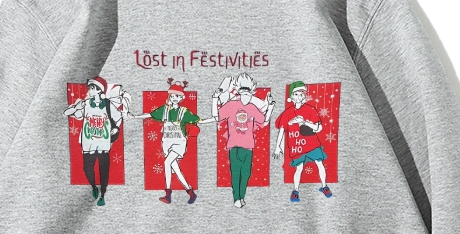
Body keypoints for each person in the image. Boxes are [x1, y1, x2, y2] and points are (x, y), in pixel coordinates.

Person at [131, 81, 200, 204]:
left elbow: (198, 120)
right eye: (172, 96)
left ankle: (168, 194)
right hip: (167, 143)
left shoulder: (183, 111)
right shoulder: (165, 110)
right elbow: (150, 115)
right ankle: (190, 191)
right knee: (176, 169)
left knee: (167, 163)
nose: (174, 98)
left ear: (181, 98)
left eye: (177, 96)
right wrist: (134, 117)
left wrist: (215, 118)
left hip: (179, 143)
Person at [212, 73, 270, 207]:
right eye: (243, 92)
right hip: (234, 146)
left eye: (248, 92)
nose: (245, 95)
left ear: (252, 93)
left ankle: (241, 197)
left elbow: (264, 121)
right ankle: (236, 199)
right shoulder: (231, 105)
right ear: (238, 92)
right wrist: (215, 99)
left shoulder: (252, 107)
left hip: (248, 147)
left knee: (246, 173)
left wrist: (271, 107)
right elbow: (217, 117)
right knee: (236, 172)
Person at [64, 75, 123, 206]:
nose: (89, 91)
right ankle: (93, 186)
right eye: (89, 88)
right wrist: (75, 107)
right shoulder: (85, 104)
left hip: (103, 144)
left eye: (92, 88)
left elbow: (119, 117)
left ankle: (103, 195)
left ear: (99, 90)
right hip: (89, 144)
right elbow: (69, 113)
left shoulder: (107, 104)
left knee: (104, 171)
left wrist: (115, 128)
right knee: (87, 169)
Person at [273, 81, 332, 202]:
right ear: (291, 97)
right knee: (298, 168)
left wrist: (303, 122)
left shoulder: (310, 110)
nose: (299, 97)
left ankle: (324, 186)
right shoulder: (287, 113)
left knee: (319, 163)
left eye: (301, 94)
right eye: (296, 94)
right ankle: (295, 191)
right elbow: (282, 130)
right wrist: (277, 147)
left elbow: (318, 127)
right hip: (297, 145)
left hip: (312, 143)